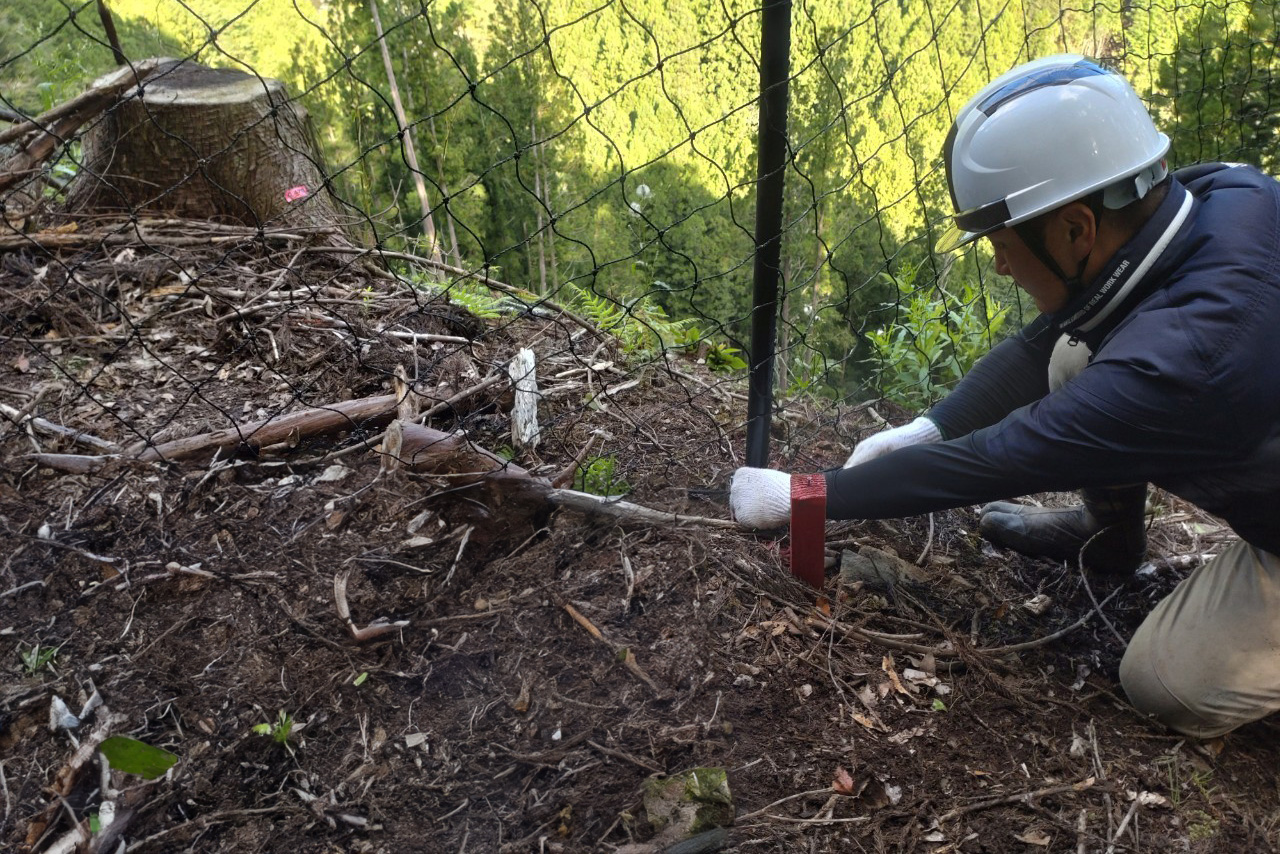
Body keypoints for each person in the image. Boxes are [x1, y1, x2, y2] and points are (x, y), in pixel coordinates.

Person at [729, 54, 1280, 739]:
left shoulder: (1187, 363)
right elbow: (1049, 341)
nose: (997, 262)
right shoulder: (1230, 197)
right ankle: (1109, 542)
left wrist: (807, 494)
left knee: (1166, 680)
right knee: (1075, 354)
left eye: (1001, 240)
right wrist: (931, 425)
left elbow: (1004, 457)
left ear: (1077, 229)